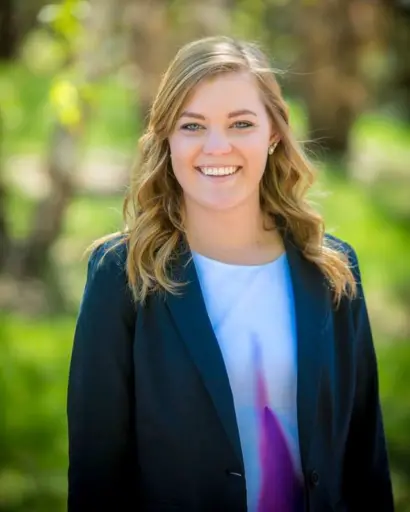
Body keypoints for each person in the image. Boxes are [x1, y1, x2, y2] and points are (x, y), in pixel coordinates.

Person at [66, 36, 394, 512]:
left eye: (241, 123)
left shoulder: (332, 272)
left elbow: (366, 458)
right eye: (192, 125)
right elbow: (97, 472)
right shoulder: (123, 275)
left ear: (274, 133)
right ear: (167, 138)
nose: (216, 147)